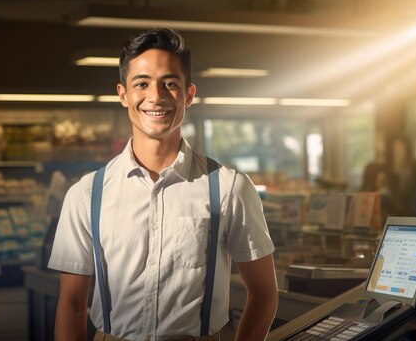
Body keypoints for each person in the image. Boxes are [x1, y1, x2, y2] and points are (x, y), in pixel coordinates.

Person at [48, 28, 278, 341]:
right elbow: (72, 305)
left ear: (189, 94)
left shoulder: (229, 188)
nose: (155, 97)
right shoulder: (86, 194)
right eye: (141, 84)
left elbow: (264, 294)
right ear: (123, 94)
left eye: (170, 84)